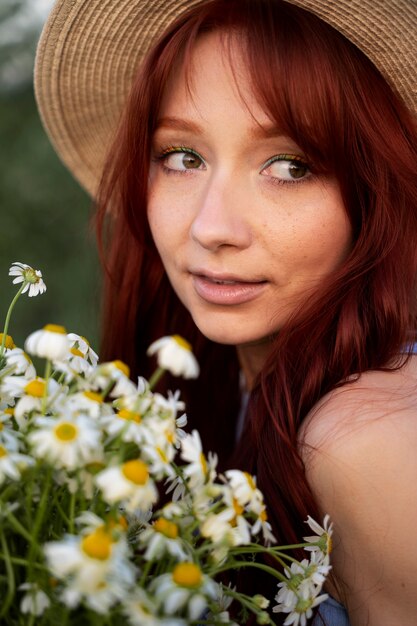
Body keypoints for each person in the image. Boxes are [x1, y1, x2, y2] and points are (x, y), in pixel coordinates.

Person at [34, 0, 417, 624]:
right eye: (182, 156)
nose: (213, 227)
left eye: (290, 166)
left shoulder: (368, 441)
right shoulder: (218, 386)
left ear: (375, 192)